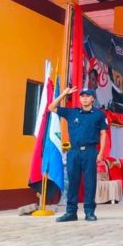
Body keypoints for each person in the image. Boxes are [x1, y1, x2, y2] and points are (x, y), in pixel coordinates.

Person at [50, 87, 109, 222]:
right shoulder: (72, 113)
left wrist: (101, 153)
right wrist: (64, 94)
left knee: (90, 182)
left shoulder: (99, 115)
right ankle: (71, 212)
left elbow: (103, 134)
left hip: (90, 151)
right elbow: (52, 107)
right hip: (74, 151)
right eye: (82, 96)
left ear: (93, 99)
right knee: (73, 182)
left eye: (88, 96)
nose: (84, 98)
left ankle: (89, 211)